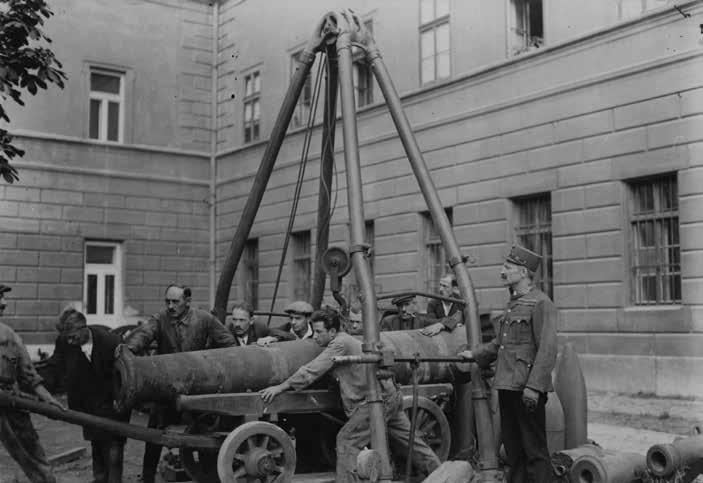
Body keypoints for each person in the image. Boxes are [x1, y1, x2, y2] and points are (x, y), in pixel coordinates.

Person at [260, 308, 440, 482]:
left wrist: (280, 387)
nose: (315, 336)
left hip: (375, 401)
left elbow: (311, 371)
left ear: (332, 331)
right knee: (411, 442)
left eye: (318, 332)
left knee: (347, 441)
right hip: (389, 395)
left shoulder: (340, 343)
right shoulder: (344, 339)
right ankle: (443, 474)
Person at [458, 245, 557, 483]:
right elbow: (499, 344)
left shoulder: (540, 303)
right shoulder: (514, 304)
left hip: (526, 388)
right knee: (514, 450)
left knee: (534, 450)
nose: (502, 272)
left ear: (523, 272)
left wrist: (534, 387)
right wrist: (474, 354)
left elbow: (547, 348)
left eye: (508, 268)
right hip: (507, 385)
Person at [124, 284, 234, 483]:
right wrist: (128, 351)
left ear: (188, 302)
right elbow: (144, 334)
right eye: (167, 301)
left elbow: (228, 343)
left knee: (205, 433)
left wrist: (211, 362)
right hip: (168, 387)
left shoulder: (204, 319)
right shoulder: (161, 319)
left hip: (199, 388)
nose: (170, 306)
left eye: (176, 301)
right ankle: (148, 477)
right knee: (155, 432)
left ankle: (208, 475)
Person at [43, 308, 129, 483]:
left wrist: (119, 402)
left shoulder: (110, 342)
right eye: (66, 337)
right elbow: (54, 367)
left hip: (113, 402)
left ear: (84, 328)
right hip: (87, 404)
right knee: (97, 444)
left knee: (114, 447)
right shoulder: (64, 341)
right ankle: (100, 479)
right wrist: (38, 386)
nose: (69, 341)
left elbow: (125, 376)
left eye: (73, 336)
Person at [0, 284, 63, 483]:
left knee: (33, 455)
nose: (4, 303)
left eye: (3, 297)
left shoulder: (9, 336)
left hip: (10, 402)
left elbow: (29, 375)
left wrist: (49, 399)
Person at [380, 294, 459, 332]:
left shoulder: (422, 321)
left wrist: (440, 325)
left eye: (407, 305)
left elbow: (452, 320)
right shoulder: (388, 321)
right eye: (400, 306)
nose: (403, 309)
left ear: (414, 305)